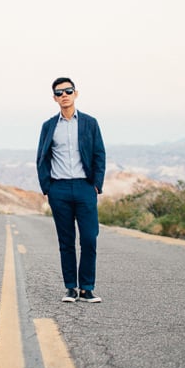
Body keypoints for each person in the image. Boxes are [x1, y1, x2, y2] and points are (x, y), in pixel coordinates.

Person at [36, 77, 106, 303]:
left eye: (68, 91)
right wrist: (47, 187)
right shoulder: (49, 126)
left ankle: (87, 288)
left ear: (76, 93)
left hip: (85, 187)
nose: (64, 95)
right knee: (66, 241)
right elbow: (41, 158)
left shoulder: (90, 123)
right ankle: (70, 288)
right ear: (54, 98)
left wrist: (96, 184)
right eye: (59, 93)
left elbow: (99, 154)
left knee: (89, 238)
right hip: (59, 189)